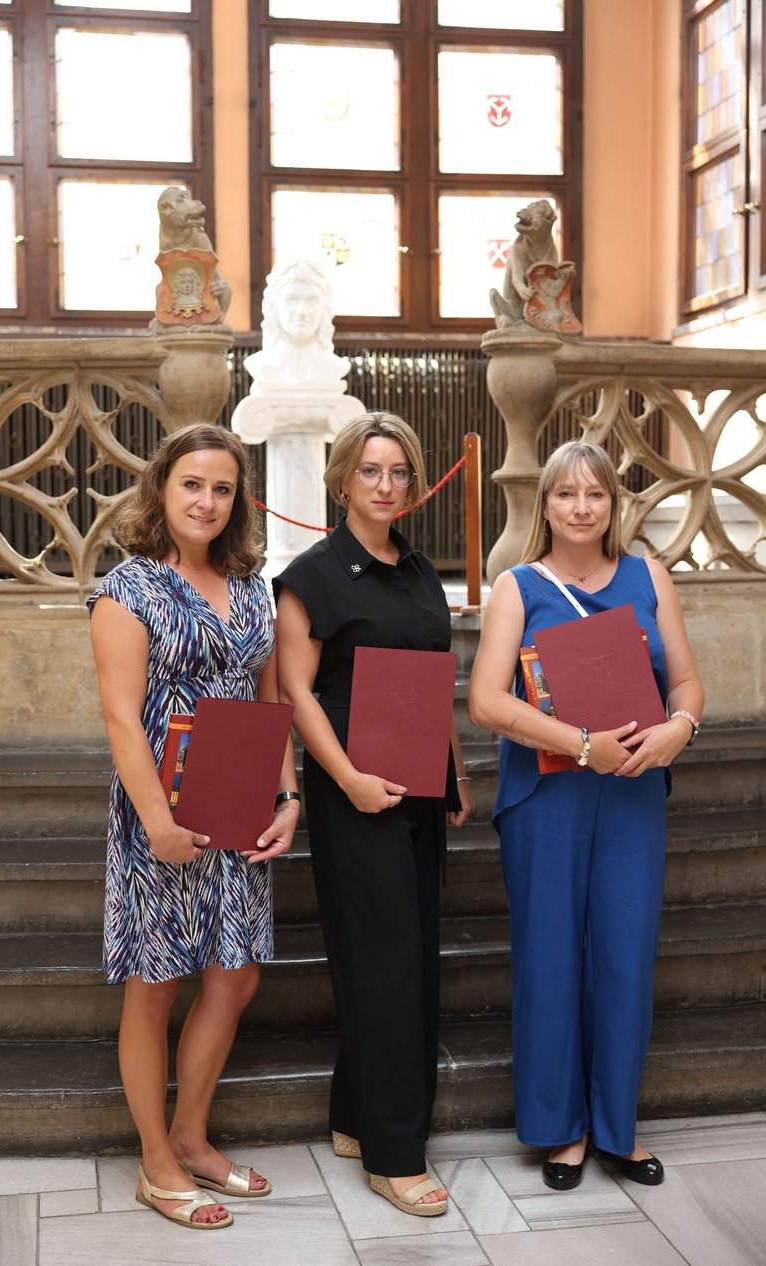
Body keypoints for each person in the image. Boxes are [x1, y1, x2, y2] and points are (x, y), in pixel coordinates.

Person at [468, 439, 704, 1191]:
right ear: (545, 504)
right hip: (548, 796)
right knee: (549, 958)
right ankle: (560, 1129)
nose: (581, 507)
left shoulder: (649, 576)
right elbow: (485, 701)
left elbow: (687, 683)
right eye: (566, 494)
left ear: (613, 503)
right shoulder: (518, 586)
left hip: (633, 793)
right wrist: (579, 744)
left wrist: (679, 729)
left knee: (625, 958)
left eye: (595, 494)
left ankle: (616, 1129)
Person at [87, 423, 300, 1230]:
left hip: (239, 804)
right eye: (191, 484)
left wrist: (288, 798)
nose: (206, 501)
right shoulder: (128, 589)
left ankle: (191, 1137)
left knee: (234, 976)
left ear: (237, 500)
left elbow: (269, 700)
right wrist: (157, 823)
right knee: (155, 983)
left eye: (221, 488)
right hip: (162, 814)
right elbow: (120, 718)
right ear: (161, 489)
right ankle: (156, 1163)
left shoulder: (252, 588)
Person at [274, 411, 475, 1217]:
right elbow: (295, 693)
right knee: (387, 965)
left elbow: (435, 676)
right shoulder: (311, 576)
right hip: (353, 794)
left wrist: (455, 772)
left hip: (420, 788)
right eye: (370, 470)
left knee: (405, 956)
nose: (385, 485)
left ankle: (356, 1117)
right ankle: (396, 1158)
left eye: (398, 472)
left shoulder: (420, 569)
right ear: (343, 480)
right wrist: (351, 779)